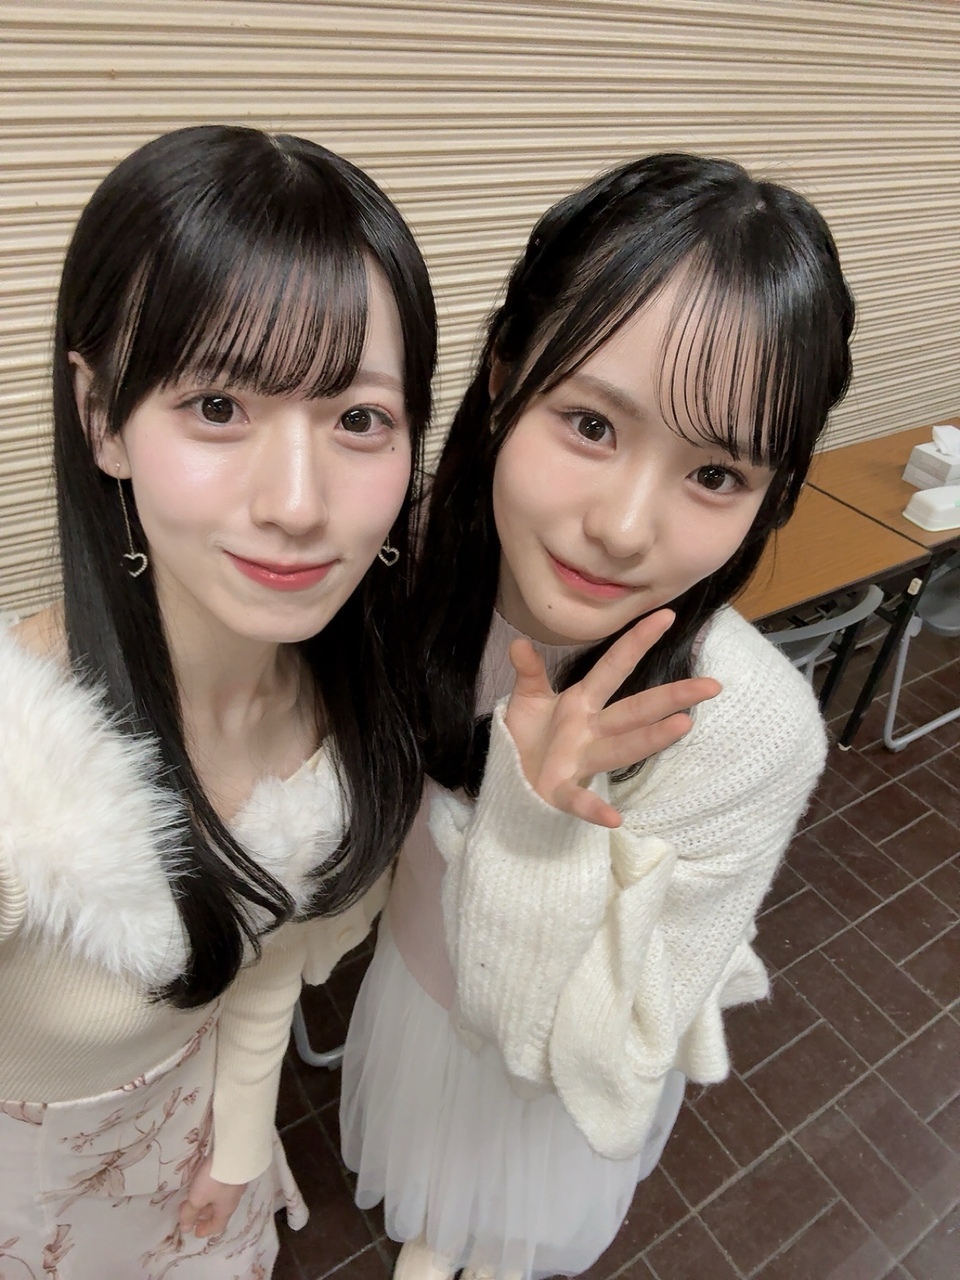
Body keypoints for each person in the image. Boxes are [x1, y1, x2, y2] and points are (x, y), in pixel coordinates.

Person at [341, 152, 854, 1280]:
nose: (623, 527)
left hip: (556, 1065)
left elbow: (595, 1053)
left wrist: (534, 823)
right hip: (421, 993)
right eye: (590, 422)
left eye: (715, 474)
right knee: (431, 1190)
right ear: (503, 375)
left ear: (770, 495)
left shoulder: (748, 727)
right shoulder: (409, 561)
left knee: (507, 1218)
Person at [0, 124, 436, 1278]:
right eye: (217, 404)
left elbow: (269, 956)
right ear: (102, 417)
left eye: (359, 418)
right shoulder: (16, 777)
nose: (298, 503)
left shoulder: (344, 718)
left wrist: (239, 1141)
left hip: (190, 1154)